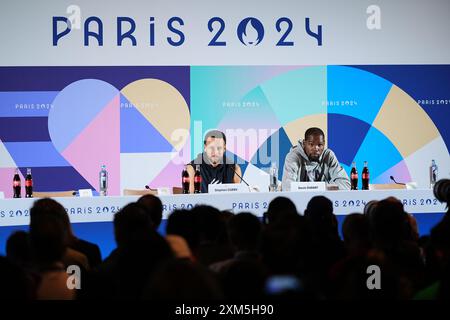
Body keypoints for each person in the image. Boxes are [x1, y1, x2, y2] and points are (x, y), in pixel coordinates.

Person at [281, 127, 350, 190]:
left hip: (325, 201)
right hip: (301, 201)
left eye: (320, 145)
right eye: (311, 144)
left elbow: (346, 184)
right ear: (304, 143)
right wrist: (322, 188)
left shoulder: (328, 155)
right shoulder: (293, 156)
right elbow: (287, 187)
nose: (316, 148)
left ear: (324, 144)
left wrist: (322, 187)